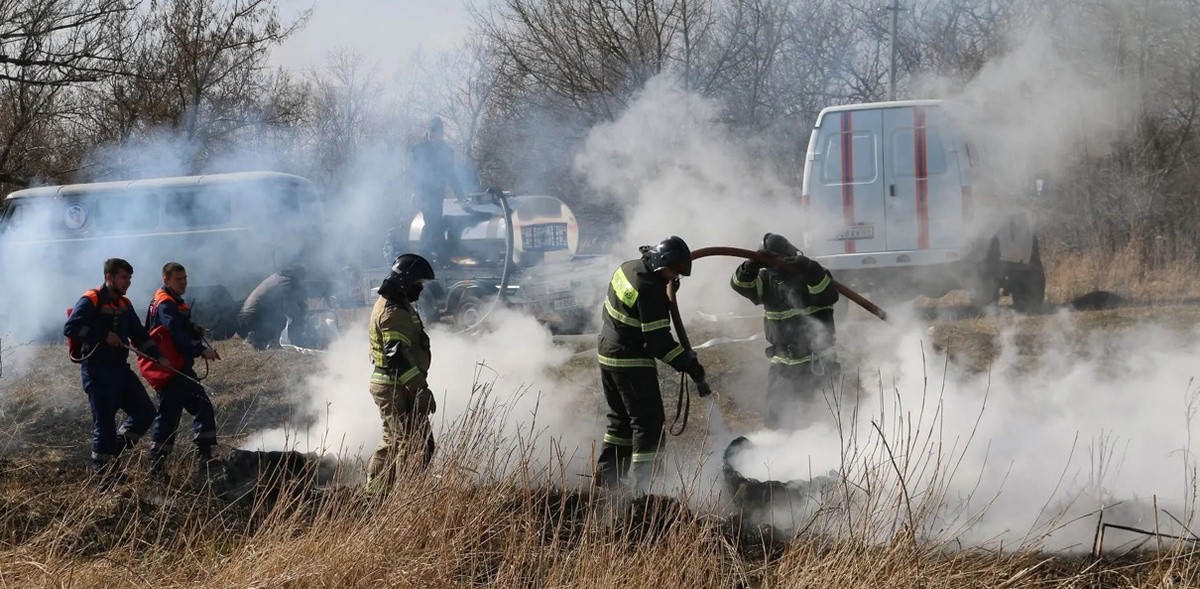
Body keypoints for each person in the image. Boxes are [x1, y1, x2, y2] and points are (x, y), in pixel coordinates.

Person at [594, 236, 708, 492]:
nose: (672, 280)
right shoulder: (650, 289)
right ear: (660, 264)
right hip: (629, 360)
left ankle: (608, 477)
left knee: (621, 420)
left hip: (607, 350)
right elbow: (658, 343)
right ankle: (644, 489)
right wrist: (688, 364)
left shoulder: (629, 267)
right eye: (671, 273)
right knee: (649, 424)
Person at [63, 258, 171, 473]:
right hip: (97, 371)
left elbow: (139, 334)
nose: (127, 283)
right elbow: (71, 328)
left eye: (129, 279)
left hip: (120, 370)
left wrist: (157, 355)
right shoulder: (91, 300)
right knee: (104, 426)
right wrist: (103, 335)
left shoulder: (125, 304)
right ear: (109, 277)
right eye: (124, 278)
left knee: (145, 413)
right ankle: (104, 476)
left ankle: (114, 451)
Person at [730, 233, 839, 430]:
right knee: (776, 420)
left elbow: (827, 296)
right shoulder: (766, 280)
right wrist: (750, 266)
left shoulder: (813, 275)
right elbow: (739, 285)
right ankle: (777, 458)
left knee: (820, 421)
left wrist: (809, 268)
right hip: (782, 365)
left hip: (817, 363)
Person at [365, 253, 438, 493]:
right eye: (418, 284)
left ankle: (385, 491)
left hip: (396, 384)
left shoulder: (395, 303)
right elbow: (396, 358)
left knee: (406, 441)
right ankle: (381, 495)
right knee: (403, 442)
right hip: (395, 386)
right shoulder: (394, 312)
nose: (421, 289)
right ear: (407, 282)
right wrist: (418, 388)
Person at [145, 262, 221, 474]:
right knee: (168, 420)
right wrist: (200, 350)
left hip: (180, 369)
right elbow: (175, 335)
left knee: (203, 408)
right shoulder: (165, 304)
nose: (184, 283)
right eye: (179, 280)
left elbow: (177, 328)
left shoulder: (168, 301)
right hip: (171, 370)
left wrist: (191, 327)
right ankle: (157, 469)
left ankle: (204, 462)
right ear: (166, 280)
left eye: (185, 278)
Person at [410, 116, 464, 267]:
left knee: (434, 223)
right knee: (432, 222)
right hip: (424, 192)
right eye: (431, 131)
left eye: (437, 132)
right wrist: (415, 192)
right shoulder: (419, 150)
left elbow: (451, 174)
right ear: (428, 132)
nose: (433, 135)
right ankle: (439, 257)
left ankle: (427, 255)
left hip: (437, 192)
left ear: (441, 133)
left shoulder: (446, 151)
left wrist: (460, 194)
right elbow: (414, 173)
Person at [237, 264, 307, 350]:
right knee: (280, 318)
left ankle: (256, 339)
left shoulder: (276, 278)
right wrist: (301, 315)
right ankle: (270, 341)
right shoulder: (286, 281)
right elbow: (288, 308)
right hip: (252, 320)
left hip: (243, 320)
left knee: (276, 315)